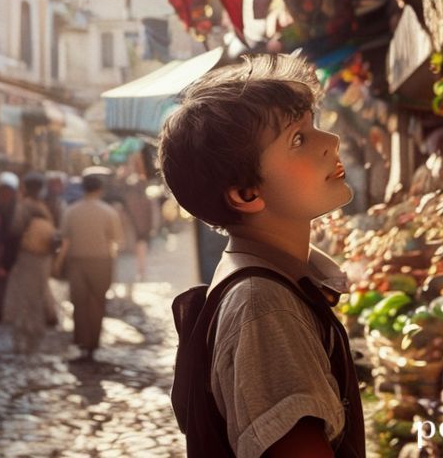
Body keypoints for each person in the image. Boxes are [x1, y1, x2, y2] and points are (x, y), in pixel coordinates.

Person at [158, 54, 365, 457]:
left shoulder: (274, 282)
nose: (332, 142)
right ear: (246, 194)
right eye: (299, 139)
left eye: (314, 126)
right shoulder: (263, 306)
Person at [57, 171, 123, 361]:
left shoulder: (71, 211)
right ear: (100, 190)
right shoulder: (108, 212)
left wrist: (58, 263)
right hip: (101, 262)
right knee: (97, 303)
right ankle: (93, 343)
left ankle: (82, 343)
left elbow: (65, 241)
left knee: (79, 303)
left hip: (76, 261)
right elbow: (117, 240)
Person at [2, 172, 54, 354]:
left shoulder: (24, 206)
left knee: (24, 298)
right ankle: (31, 335)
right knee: (34, 298)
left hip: (29, 257)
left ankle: (25, 336)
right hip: (38, 257)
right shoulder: (41, 206)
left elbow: (14, 231)